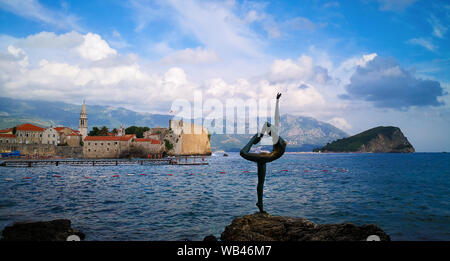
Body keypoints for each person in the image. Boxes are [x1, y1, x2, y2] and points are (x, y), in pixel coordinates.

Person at [240, 93, 287, 213]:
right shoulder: (278, 139)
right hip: (267, 157)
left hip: (267, 157)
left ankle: (253, 139)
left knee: (243, 153)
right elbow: (276, 118)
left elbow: (269, 123)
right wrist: (277, 101)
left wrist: (258, 137)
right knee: (261, 182)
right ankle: (260, 205)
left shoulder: (277, 138)